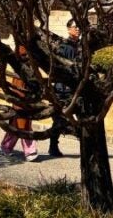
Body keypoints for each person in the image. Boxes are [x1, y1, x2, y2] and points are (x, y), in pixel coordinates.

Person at [46, 16, 82, 158]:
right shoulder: (64, 46)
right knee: (58, 119)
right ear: (68, 29)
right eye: (75, 27)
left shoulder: (82, 46)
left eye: (79, 27)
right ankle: (53, 146)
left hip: (77, 89)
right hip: (63, 89)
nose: (78, 29)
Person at [0, 43, 39, 161]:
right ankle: (29, 150)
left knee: (20, 120)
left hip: (29, 84)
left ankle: (6, 146)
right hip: (20, 85)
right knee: (21, 119)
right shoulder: (21, 47)